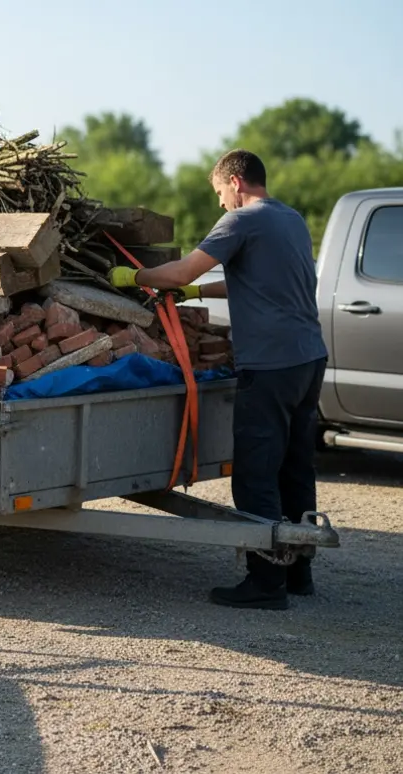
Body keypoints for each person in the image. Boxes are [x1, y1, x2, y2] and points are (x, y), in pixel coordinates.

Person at [108, 149, 328, 610]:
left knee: (256, 473)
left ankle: (266, 583)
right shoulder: (290, 220)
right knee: (294, 466)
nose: (220, 204)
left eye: (219, 193)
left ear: (236, 181)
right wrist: (194, 292)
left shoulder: (242, 222)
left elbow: (185, 266)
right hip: (308, 360)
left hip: (268, 366)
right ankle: (299, 571)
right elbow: (244, 281)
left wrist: (136, 276)